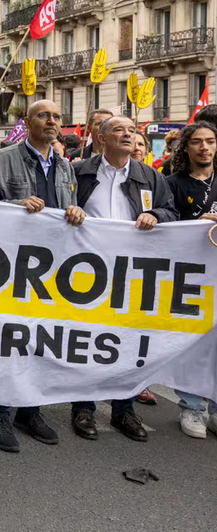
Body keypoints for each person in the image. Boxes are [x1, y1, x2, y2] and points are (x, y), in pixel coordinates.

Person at [0, 100, 85, 452]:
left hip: (51, 268)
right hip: (12, 264)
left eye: (57, 116)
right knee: (9, 340)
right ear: (27, 122)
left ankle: (30, 410)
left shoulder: (65, 166)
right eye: (45, 115)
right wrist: (17, 206)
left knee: (41, 339)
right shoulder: (7, 158)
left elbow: (67, 211)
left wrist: (75, 211)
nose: (53, 121)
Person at [70, 115, 177, 443]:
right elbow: (58, 206)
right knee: (87, 340)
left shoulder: (151, 177)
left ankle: (124, 408)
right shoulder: (79, 172)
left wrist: (155, 215)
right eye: (120, 131)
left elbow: (171, 211)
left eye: (133, 131)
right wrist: (70, 210)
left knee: (127, 341)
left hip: (132, 274)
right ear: (101, 139)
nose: (129, 136)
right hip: (88, 273)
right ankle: (84, 408)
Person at [164, 123, 217, 438]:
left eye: (210, 141)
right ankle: (191, 406)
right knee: (193, 343)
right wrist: (195, 225)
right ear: (186, 148)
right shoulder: (171, 183)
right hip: (189, 277)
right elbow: (165, 221)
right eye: (197, 142)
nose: (204, 148)